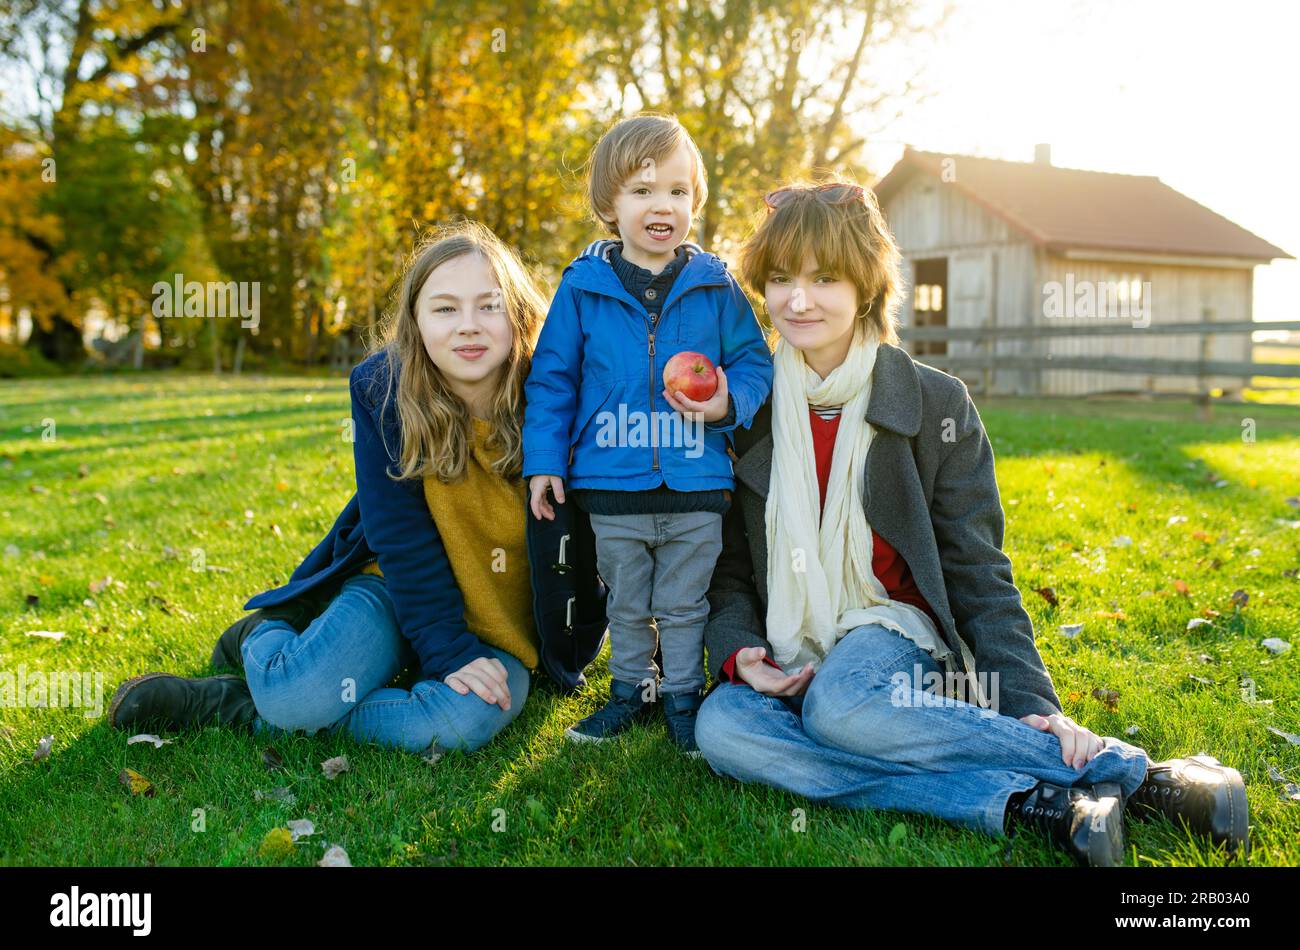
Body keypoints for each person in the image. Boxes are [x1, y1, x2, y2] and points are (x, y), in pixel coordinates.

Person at [693, 181, 1249, 865]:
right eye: (780, 280)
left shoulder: (934, 402)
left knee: (838, 710)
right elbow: (731, 568)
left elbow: (977, 566)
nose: (798, 301)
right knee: (722, 727)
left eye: (824, 278)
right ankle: (1031, 802)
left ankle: (1137, 773)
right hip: (791, 640)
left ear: (866, 283)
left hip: (889, 628)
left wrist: (1029, 701)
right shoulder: (747, 406)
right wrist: (741, 648)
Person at [107, 221, 608, 757]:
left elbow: (606, 535)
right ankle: (263, 640)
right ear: (415, 321)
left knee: (467, 721)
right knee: (297, 697)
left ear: (520, 316)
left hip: (501, 629)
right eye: (444, 309)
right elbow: (402, 539)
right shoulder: (386, 392)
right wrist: (448, 653)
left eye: (488, 306)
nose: (468, 326)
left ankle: (238, 707)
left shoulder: (561, 401)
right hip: (397, 591)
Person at [524, 113, 773, 754]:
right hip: (611, 486)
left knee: (687, 603)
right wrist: (545, 460)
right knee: (628, 600)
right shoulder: (583, 288)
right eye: (642, 191)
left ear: (695, 200)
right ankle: (629, 691)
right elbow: (553, 380)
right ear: (610, 204)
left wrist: (725, 402)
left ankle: (684, 695)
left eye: (678, 191)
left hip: (695, 484)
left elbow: (754, 362)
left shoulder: (715, 287)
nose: (662, 206)